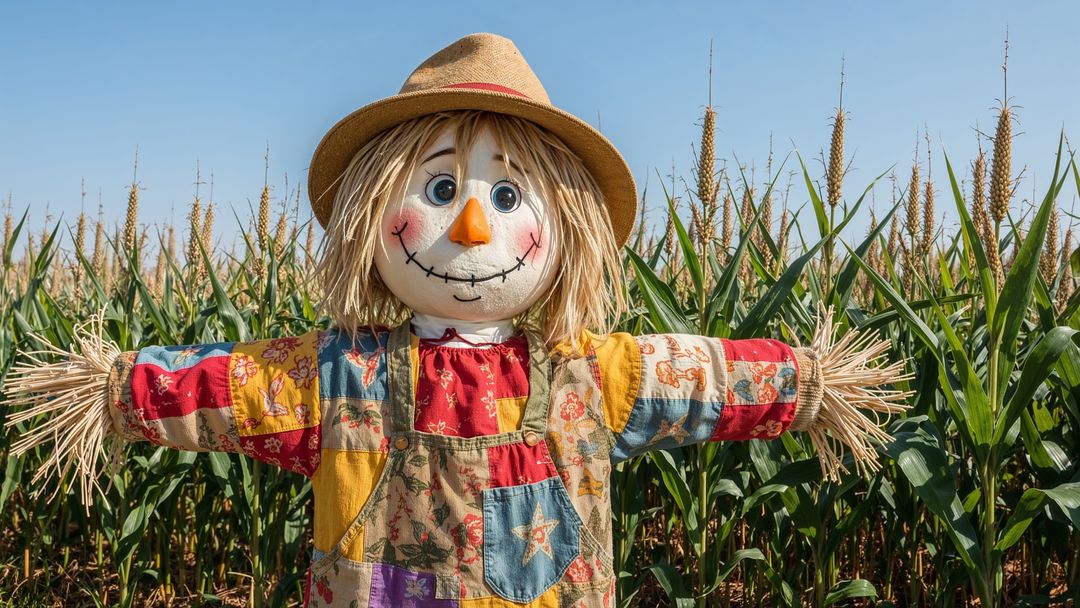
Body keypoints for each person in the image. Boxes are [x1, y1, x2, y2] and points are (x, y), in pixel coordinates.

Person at [6, 33, 908, 608]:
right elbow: (227, 388)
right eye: (438, 188)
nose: (473, 224)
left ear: (568, 227)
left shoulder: (591, 375)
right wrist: (109, 390)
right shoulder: (338, 376)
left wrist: (807, 383)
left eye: (508, 193)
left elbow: (703, 375)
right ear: (370, 217)